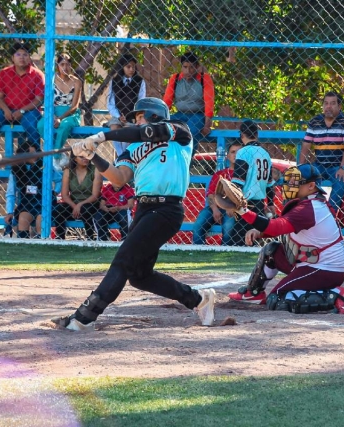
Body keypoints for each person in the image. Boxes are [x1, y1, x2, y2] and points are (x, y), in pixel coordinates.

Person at [51, 97, 216, 331]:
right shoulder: (135, 147)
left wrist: (102, 136)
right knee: (140, 276)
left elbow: (147, 132)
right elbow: (119, 177)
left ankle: (85, 317)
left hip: (167, 208)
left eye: (139, 116)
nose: (136, 122)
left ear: (155, 115)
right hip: (144, 209)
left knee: (123, 260)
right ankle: (198, 299)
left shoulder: (179, 132)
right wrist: (92, 156)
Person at [227, 163, 344, 314]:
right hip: (310, 262)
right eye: (288, 181)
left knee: (277, 299)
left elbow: (275, 227)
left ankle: (336, 297)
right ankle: (254, 293)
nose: (289, 185)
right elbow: (283, 227)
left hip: (326, 269)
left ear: (311, 186)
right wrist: (260, 232)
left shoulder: (310, 207)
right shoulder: (306, 203)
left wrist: (243, 211)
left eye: (295, 182)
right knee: (272, 251)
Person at [298, 91, 344, 213]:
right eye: (326, 103)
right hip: (319, 165)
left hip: (339, 167)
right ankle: (307, 212)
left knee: (340, 179)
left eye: (332, 103)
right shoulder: (315, 122)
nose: (328, 107)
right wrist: (300, 167)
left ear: (339, 106)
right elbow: (306, 145)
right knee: (300, 176)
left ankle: (328, 214)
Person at [0, 41, 44, 154]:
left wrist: (22, 111)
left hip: (29, 111)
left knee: (31, 126)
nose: (22, 57)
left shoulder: (37, 75)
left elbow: (38, 100)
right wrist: (6, 110)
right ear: (12, 58)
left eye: (25, 54)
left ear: (29, 58)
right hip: (8, 110)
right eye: (18, 54)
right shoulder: (4, 73)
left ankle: (36, 159)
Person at [229, 120, 276, 246]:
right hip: (260, 202)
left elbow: (238, 180)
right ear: (256, 134)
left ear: (242, 135)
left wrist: (231, 201)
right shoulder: (265, 153)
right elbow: (270, 183)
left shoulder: (243, 152)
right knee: (254, 238)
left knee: (238, 239)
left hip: (245, 202)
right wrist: (271, 202)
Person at [163, 52, 214, 155]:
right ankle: (170, 158)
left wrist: (207, 125)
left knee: (190, 132)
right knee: (165, 128)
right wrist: (161, 118)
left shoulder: (204, 79)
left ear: (197, 67)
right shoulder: (175, 79)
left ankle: (187, 160)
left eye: (191, 67)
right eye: (185, 67)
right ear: (181, 67)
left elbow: (209, 102)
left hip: (197, 115)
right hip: (180, 114)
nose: (188, 71)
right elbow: (166, 102)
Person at [37, 53, 82, 170]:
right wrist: (52, 116)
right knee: (41, 125)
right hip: (53, 112)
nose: (65, 67)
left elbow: (74, 106)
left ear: (71, 66)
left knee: (64, 126)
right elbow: (47, 102)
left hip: (70, 114)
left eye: (67, 64)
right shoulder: (51, 80)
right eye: (62, 64)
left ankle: (54, 158)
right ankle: (60, 155)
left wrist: (60, 118)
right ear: (58, 66)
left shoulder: (76, 82)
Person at [192, 140, 241, 245]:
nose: (236, 155)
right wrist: (214, 209)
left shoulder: (245, 174)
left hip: (234, 209)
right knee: (198, 225)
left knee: (228, 228)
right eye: (233, 152)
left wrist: (232, 207)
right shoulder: (220, 174)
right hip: (217, 206)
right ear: (227, 156)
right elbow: (211, 194)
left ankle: (224, 252)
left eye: (239, 152)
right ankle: (198, 252)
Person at [4, 143, 52, 239]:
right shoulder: (16, 171)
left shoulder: (46, 167)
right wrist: (9, 211)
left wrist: (54, 192)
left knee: (40, 221)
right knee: (22, 219)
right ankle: (23, 246)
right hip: (27, 204)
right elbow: (11, 193)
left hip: (44, 203)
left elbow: (58, 180)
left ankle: (41, 245)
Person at [52, 154, 102, 240]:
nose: (86, 158)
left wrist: (79, 205)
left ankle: (91, 238)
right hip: (73, 203)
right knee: (59, 210)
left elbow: (95, 195)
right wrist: (74, 206)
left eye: (87, 156)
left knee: (85, 210)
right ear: (75, 158)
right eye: (82, 157)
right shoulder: (68, 171)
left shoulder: (95, 170)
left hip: (91, 202)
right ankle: (60, 237)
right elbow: (64, 195)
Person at [107, 53, 146, 157]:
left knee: (127, 132)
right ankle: (121, 155)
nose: (131, 69)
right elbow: (110, 103)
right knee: (114, 128)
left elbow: (141, 101)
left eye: (133, 67)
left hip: (132, 116)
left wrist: (132, 115)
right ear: (122, 67)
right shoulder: (114, 81)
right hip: (118, 115)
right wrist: (118, 116)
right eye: (128, 67)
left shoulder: (140, 81)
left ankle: (125, 156)